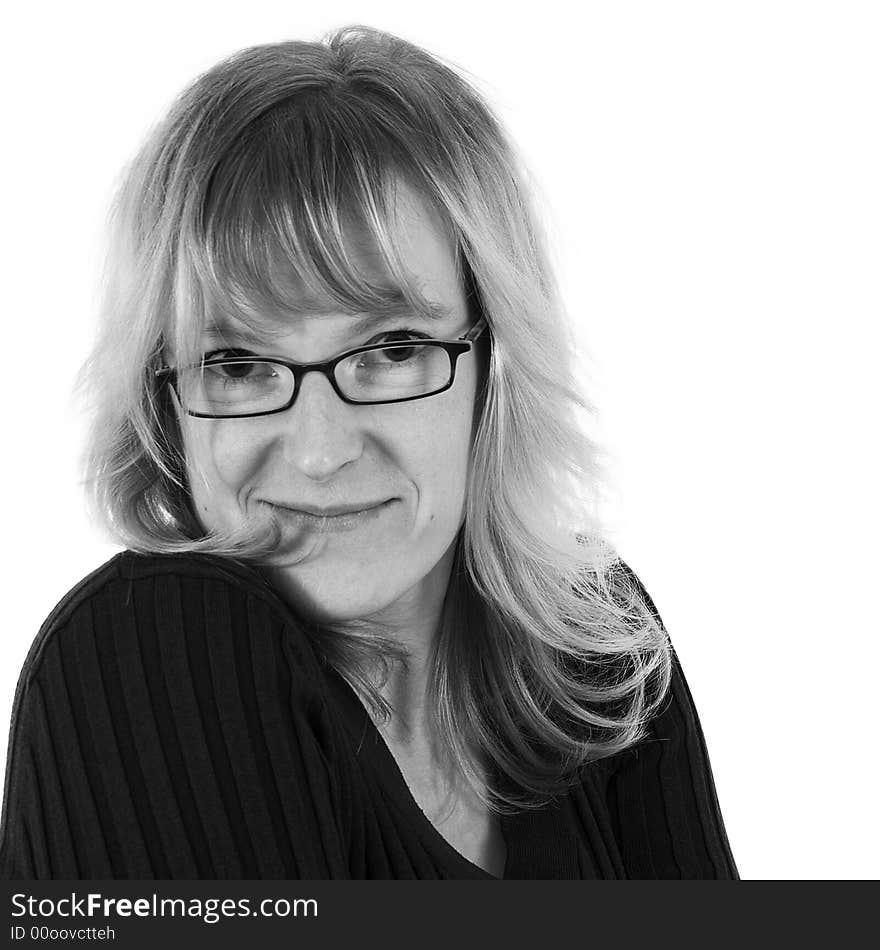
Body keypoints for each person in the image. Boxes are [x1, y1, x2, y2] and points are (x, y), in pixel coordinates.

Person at [0, 25, 737, 880]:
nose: (319, 450)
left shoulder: (594, 651)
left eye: (390, 350)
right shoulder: (149, 651)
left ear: (495, 365)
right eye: (238, 363)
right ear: (166, 400)